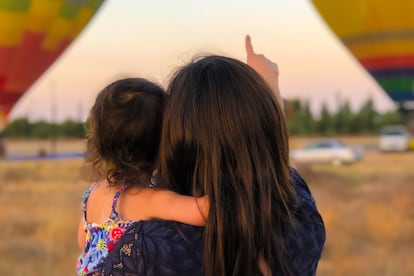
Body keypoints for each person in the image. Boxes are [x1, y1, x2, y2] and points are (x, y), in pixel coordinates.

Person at [99, 36, 325, 275]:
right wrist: (266, 90)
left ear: (176, 142)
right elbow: (269, 162)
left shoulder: (146, 249)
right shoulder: (301, 218)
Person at [76, 78, 208, 276]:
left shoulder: (93, 192)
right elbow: (204, 211)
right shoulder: (147, 199)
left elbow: (83, 241)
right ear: (165, 141)